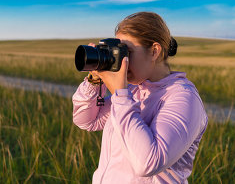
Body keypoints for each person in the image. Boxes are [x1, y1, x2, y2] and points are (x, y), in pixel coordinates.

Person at [72, 12, 208, 183]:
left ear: (154, 51)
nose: (122, 60)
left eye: (126, 52)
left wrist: (120, 95)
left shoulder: (184, 98)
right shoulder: (134, 91)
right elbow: (87, 121)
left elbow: (148, 163)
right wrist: (95, 80)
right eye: (117, 52)